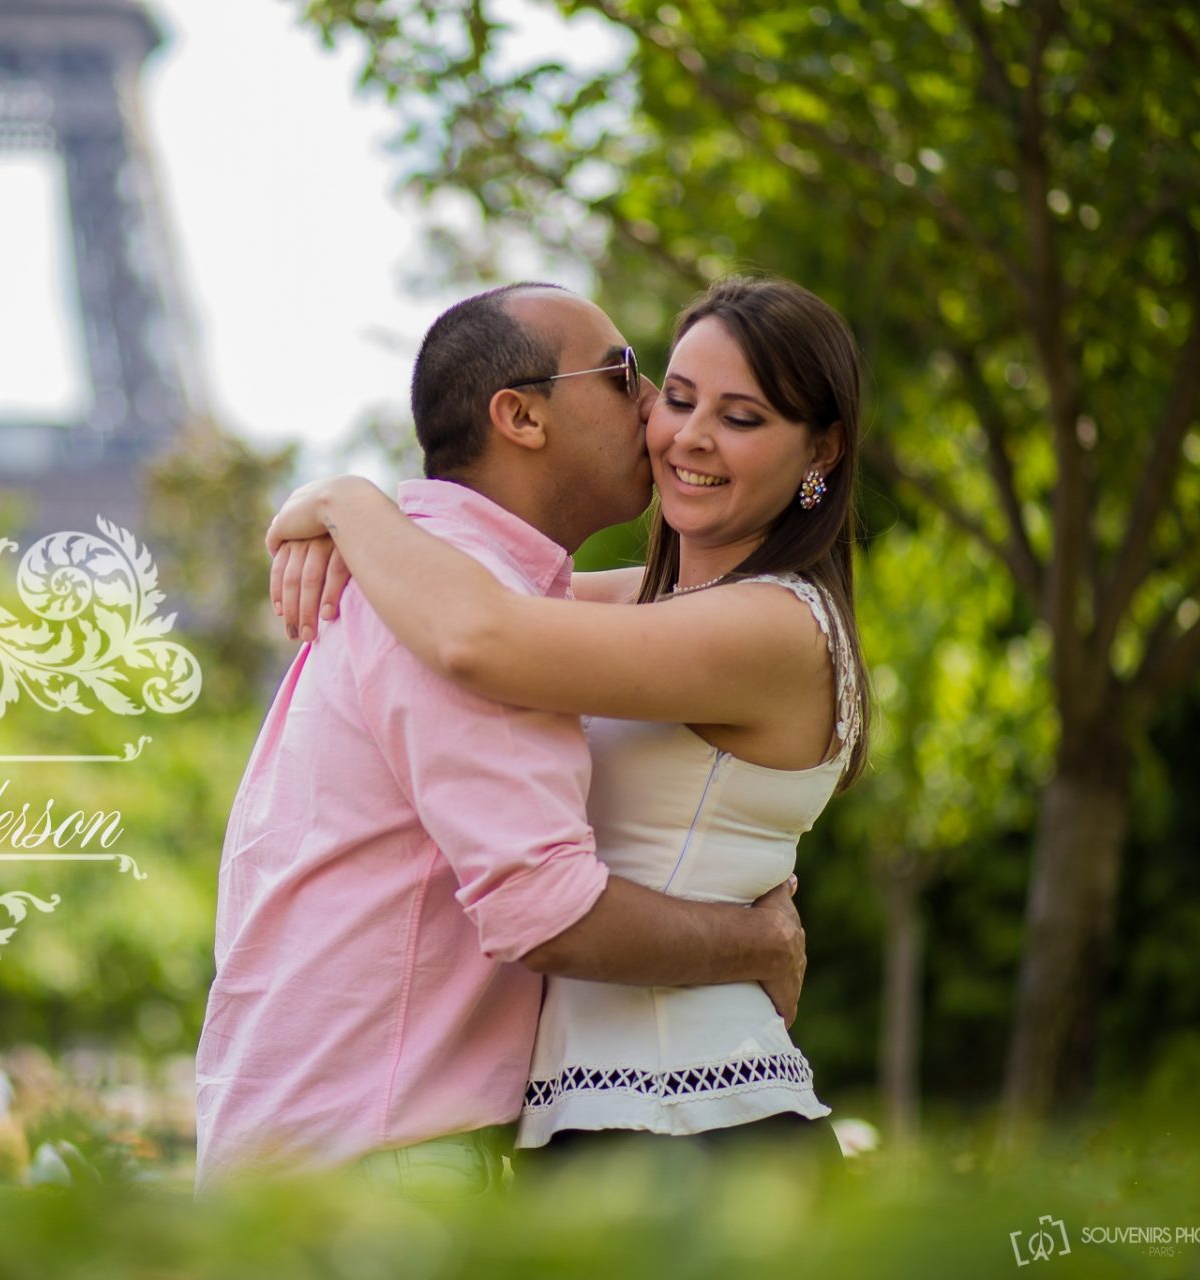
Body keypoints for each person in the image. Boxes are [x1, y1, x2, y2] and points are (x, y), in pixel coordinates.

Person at [194, 282, 808, 1195]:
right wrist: (758, 944)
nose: (656, 413)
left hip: (335, 1144)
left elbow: (699, 607)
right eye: (625, 375)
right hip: (380, 1164)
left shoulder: (451, 586)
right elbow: (545, 908)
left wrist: (350, 502)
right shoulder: (457, 608)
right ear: (520, 415)